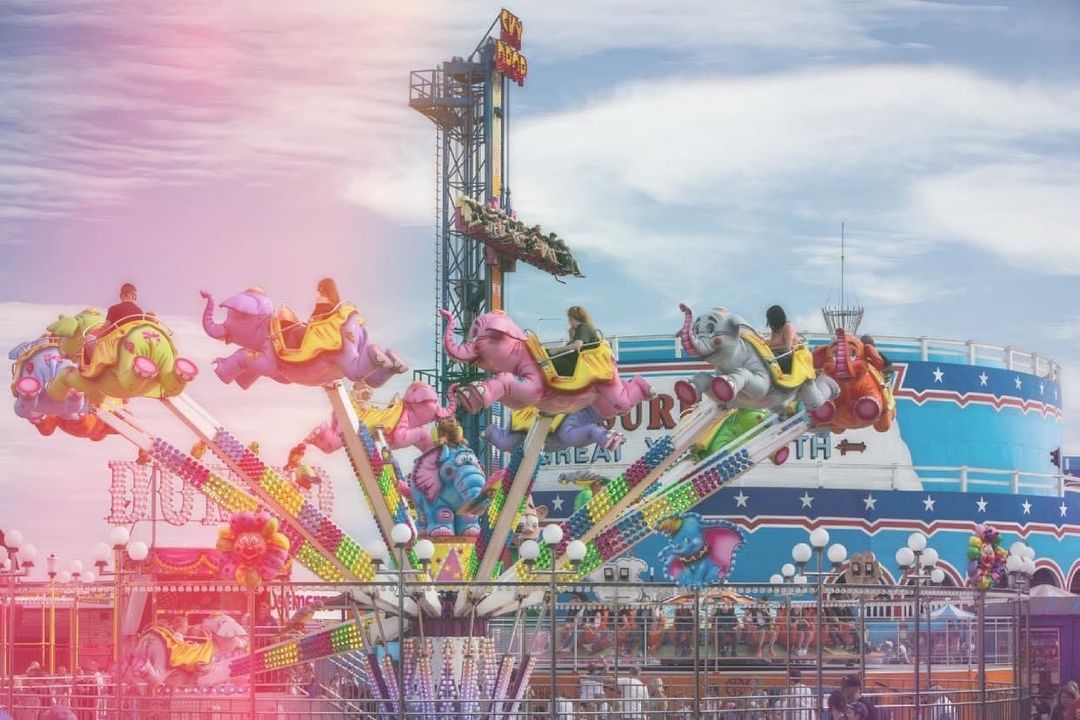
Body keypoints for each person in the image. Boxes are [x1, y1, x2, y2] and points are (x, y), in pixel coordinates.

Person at [550, 306, 600, 377]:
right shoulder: (585, 328)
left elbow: (577, 346)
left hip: (576, 367)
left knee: (545, 362)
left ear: (571, 318)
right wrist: (571, 337)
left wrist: (557, 350)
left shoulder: (583, 327)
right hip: (577, 365)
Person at [766, 305, 798, 374]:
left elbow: (787, 347)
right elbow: (771, 345)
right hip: (775, 355)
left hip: (787, 358)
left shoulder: (788, 327)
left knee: (767, 362)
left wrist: (769, 348)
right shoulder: (774, 329)